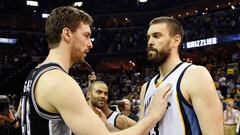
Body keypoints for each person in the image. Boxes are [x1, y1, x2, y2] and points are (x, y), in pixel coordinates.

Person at [21, 6, 172, 135]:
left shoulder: (36, 73)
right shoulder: (59, 81)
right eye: (86, 36)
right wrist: (152, 116)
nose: (90, 44)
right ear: (67, 34)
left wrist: (102, 126)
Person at [139, 16, 223, 135]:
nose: (150, 42)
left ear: (176, 41)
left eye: (156, 36)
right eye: (148, 37)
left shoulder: (195, 75)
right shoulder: (145, 88)